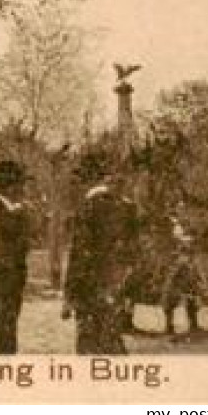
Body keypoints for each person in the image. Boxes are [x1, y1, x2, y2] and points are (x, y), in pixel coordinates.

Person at [63, 151, 140, 354]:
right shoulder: (127, 207)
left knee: (91, 344)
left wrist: (70, 294)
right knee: (111, 339)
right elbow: (134, 250)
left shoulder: (90, 205)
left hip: (91, 285)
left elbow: (80, 252)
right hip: (115, 284)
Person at [0, 159, 33, 353]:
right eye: (20, 185)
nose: (22, 189)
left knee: (7, 333)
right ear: (10, 187)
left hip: (12, 283)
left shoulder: (16, 212)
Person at [162, 219, 207, 337]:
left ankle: (194, 324)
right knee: (170, 301)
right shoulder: (179, 257)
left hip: (188, 280)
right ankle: (169, 326)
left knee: (193, 299)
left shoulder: (191, 258)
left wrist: (201, 283)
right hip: (177, 281)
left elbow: (197, 270)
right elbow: (173, 272)